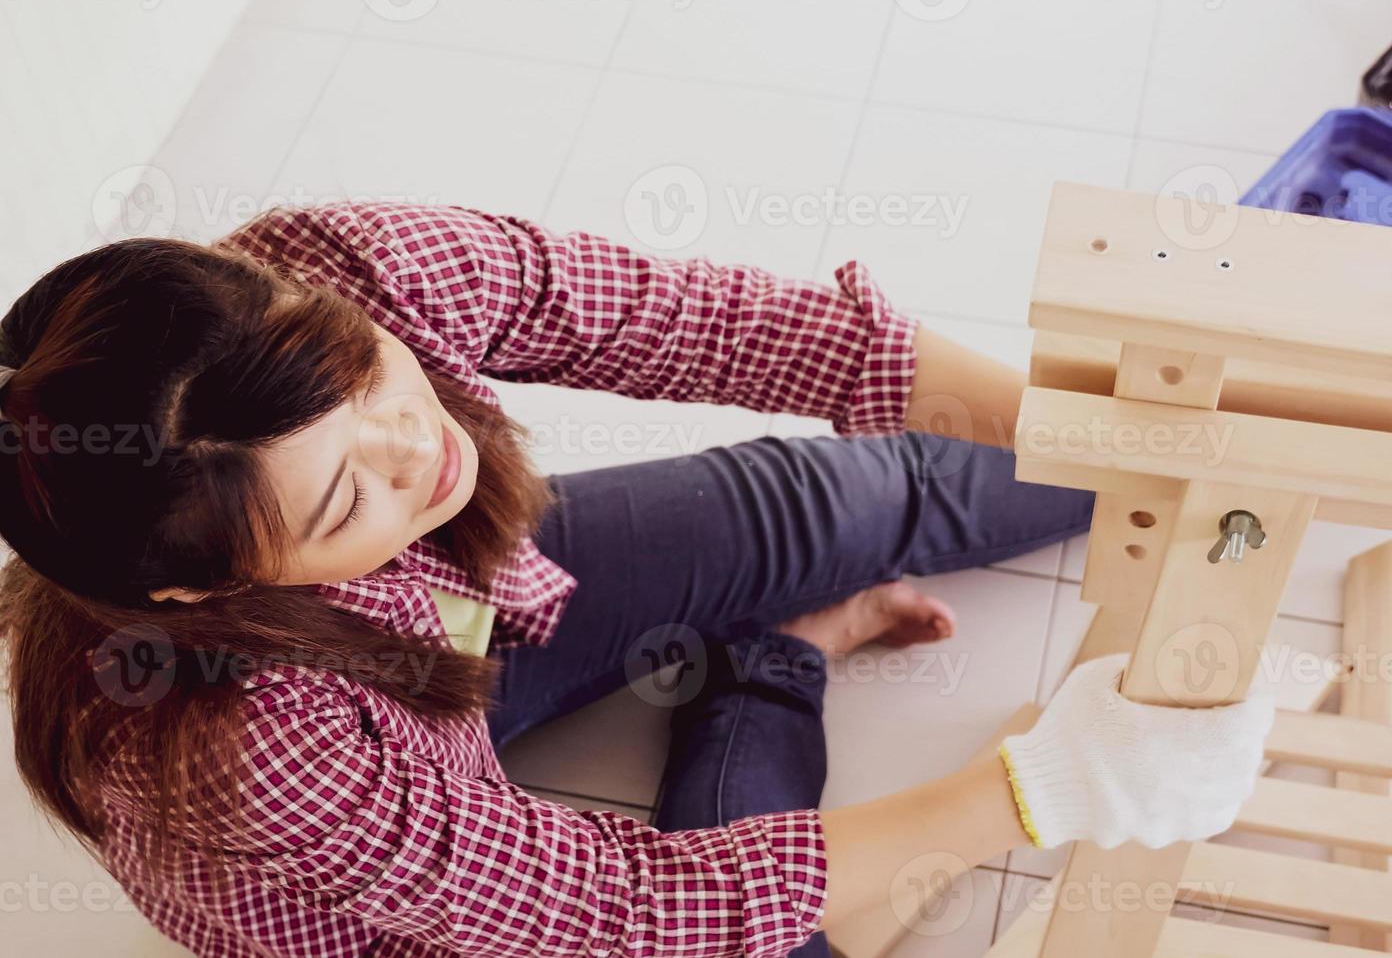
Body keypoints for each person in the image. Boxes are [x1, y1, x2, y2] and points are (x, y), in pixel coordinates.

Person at [0, 201, 1273, 957]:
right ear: (200, 589)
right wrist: (1043, 789)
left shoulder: (334, 271)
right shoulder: (247, 746)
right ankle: (777, 664)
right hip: (400, 877)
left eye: (367, 378)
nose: (419, 448)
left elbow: (698, 318)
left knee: (854, 489)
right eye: (347, 496)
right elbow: (612, 907)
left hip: (458, 628)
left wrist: (1078, 426)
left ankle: (801, 622)